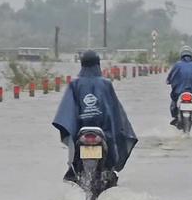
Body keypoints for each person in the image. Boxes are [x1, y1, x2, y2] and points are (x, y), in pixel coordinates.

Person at [52, 50, 138, 185]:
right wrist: (120, 127)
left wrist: (70, 128)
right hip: (104, 131)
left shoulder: (74, 84)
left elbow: (67, 110)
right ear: (98, 64)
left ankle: (74, 171)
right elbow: (115, 110)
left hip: (81, 131)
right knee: (111, 159)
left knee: (74, 159)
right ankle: (109, 171)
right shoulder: (106, 83)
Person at [166, 46, 192, 127]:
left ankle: (176, 117)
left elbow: (169, 79)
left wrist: (170, 81)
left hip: (178, 92)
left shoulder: (177, 65)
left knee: (174, 102)